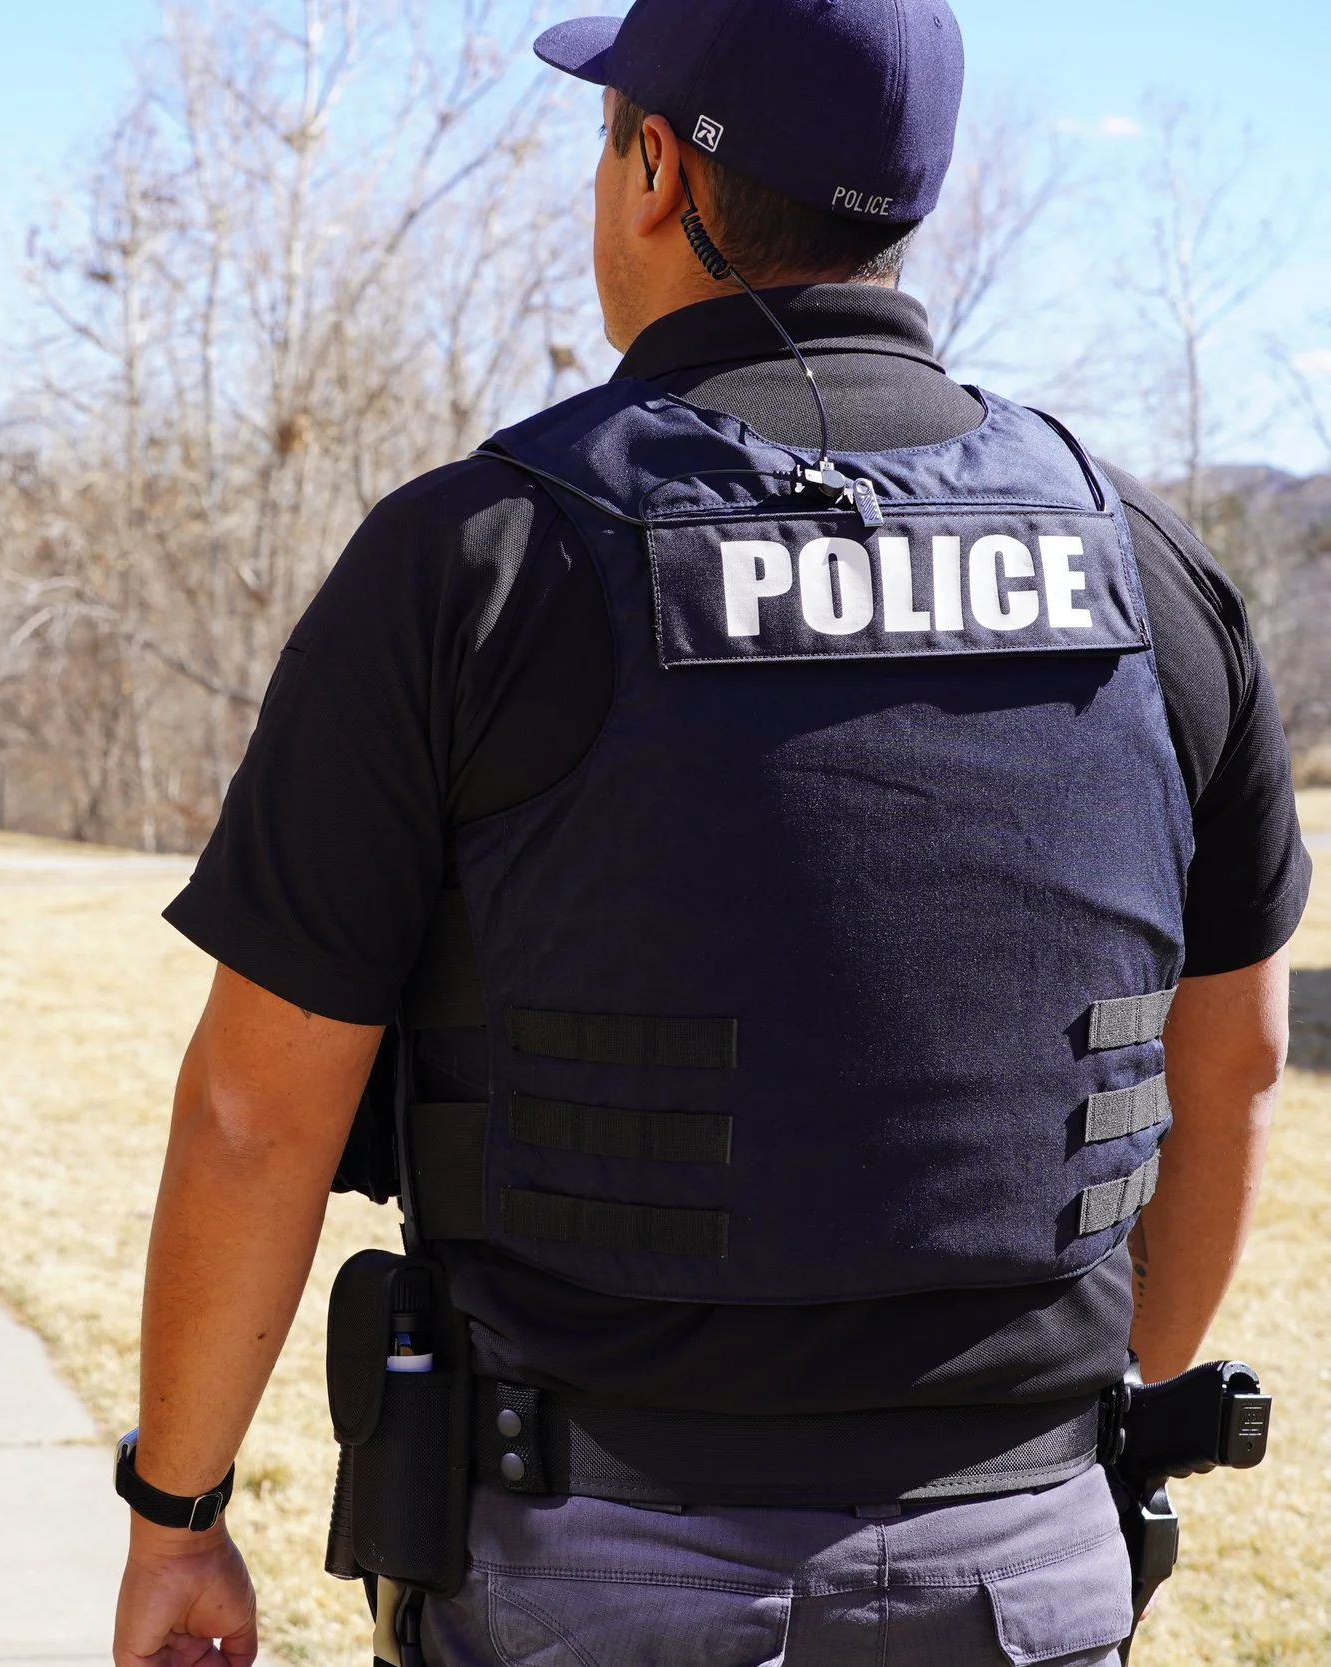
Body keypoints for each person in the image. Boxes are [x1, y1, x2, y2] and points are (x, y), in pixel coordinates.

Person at [111, 1, 1307, 1663]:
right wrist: (1105, 1424)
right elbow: (1234, 1064)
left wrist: (176, 1514)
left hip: (594, 1573)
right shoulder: (1148, 573)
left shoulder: (480, 560)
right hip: (1030, 1565)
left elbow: (258, 1111)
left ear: (657, 170)